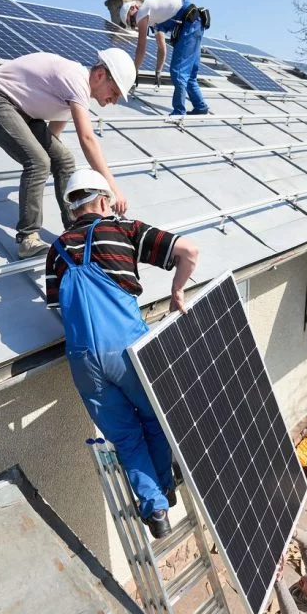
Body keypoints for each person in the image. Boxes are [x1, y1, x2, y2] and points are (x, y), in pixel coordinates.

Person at [45, 169, 199, 538]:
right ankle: (163, 489)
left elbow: (57, 307)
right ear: (101, 200)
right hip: (126, 348)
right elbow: (189, 251)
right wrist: (177, 292)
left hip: (83, 358)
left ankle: (155, 512)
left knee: (126, 437)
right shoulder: (123, 230)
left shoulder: (57, 250)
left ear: (73, 207)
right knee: (155, 419)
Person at [0, 50, 136, 259]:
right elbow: (87, 139)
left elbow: (53, 138)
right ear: (100, 75)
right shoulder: (76, 79)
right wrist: (113, 189)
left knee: (64, 160)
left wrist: (52, 161)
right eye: (114, 92)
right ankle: (27, 238)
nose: (114, 100)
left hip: (22, 113)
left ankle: (76, 227)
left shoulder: (75, 93)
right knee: (38, 162)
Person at [120, 0, 209, 116]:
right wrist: (158, 71)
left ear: (134, 8)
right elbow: (162, 48)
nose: (135, 23)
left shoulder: (143, 10)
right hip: (196, 23)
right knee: (191, 74)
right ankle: (200, 107)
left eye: (131, 20)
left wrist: (133, 71)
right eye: (131, 24)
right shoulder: (155, 20)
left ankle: (178, 113)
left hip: (190, 24)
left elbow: (141, 47)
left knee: (178, 72)